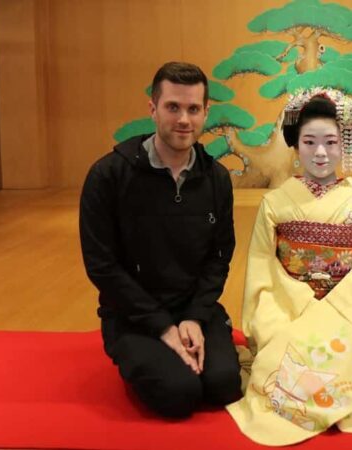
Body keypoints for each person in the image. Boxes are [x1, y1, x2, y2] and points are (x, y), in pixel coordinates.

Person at [226, 88, 352, 446]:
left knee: (335, 363)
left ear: (345, 145)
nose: (321, 153)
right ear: (295, 146)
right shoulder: (275, 203)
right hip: (290, 308)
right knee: (289, 360)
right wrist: (261, 321)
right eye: (309, 142)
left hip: (349, 312)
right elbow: (262, 268)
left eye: (330, 142)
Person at [79, 62, 241, 418]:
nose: (184, 119)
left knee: (224, 386)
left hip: (193, 308)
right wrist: (162, 327)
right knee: (177, 395)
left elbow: (219, 256)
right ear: (153, 109)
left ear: (205, 113)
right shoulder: (109, 175)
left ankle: (198, 339)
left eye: (193, 109)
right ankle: (135, 355)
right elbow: (101, 265)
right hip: (133, 314)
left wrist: (196, 317)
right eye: (173, 107)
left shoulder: (216, 179)